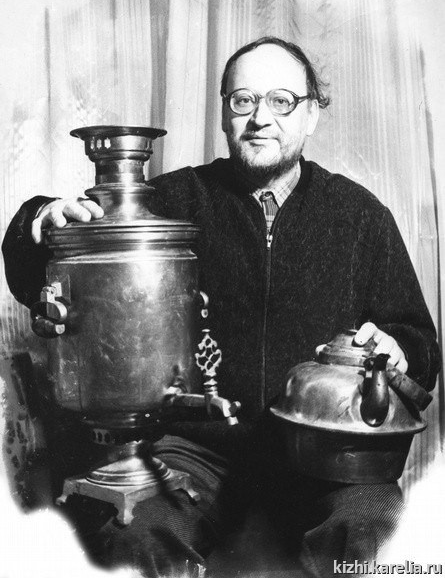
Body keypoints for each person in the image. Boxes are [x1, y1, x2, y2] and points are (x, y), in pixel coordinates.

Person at [2, 37, 441, 577]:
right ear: (225, 114)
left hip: (326, 455)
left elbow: (418, 344)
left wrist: (400, 348)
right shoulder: (171, 202)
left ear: (311, 116)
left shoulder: (359, 216)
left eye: (281, 100)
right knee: (136, 530)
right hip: (192, 451)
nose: (260, 118)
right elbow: (39, 277)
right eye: (243, 100)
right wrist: (42, 220)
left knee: (377, 525)